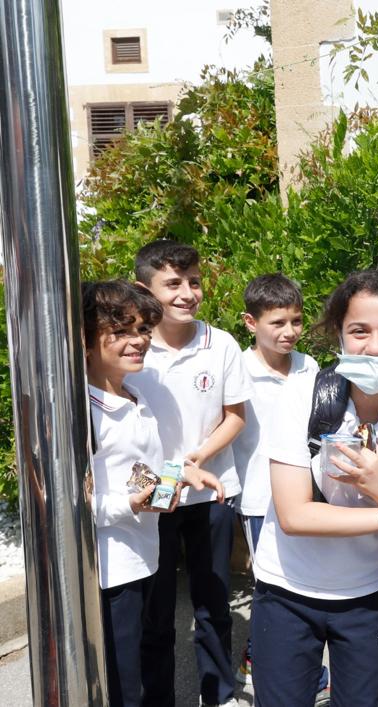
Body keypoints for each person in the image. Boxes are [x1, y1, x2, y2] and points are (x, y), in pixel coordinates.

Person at [250, 267, 378, 707]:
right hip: (287, 590)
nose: (376, 346)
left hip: (367, 594)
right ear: (340, 336)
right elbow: (294, 515)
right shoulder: (301, 396)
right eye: (359, 331)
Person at [84, 279, 224, 707]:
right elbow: (71, 506)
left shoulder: (136, 395)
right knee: (122, 683)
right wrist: (130, 504)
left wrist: (182, 473)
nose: (138, 340)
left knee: (152, 661)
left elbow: (140, 474)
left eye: (143, 329)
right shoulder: (82, 413)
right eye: (121, 330)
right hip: (111, 572)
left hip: (147, 557)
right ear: (85, 341)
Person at [129, 239, 252, 707]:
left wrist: (197, 459)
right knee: (155, 607)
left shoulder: (220, 344)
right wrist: (169, 474)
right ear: (145, 289)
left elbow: (235, 416)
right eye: (173, 283)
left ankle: (218, 694)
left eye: (194, 282)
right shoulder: (133, 348)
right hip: (154, 493)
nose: (187, 293)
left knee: (214, 602)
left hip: (211, 491)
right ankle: (157, 698)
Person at [229, 274, 327, 697]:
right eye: (278, 323)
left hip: (304, 495)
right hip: (258, 497)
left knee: (300, 580)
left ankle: (280, 662)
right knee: (271, 584)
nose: (289, 332)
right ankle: (259, 659)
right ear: (251, 323)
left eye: (297, 321)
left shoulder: (309, 366)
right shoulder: (238, 370)